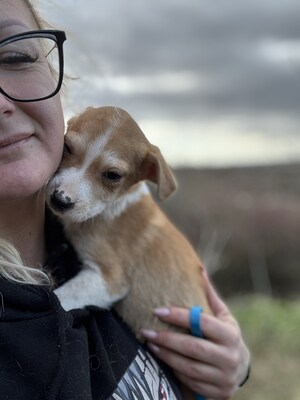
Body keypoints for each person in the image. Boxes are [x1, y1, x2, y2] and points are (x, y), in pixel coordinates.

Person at [0, 1, 250, 399]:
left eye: (14, 55)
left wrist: (233, 363)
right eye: (71, 150)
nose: (67, 191)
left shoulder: (88, 229)